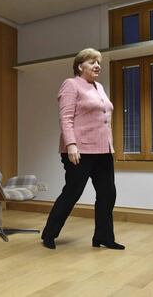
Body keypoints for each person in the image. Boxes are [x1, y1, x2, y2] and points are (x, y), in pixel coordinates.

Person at [41, 48, 125, 250]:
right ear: (80, 66)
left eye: (99, 63)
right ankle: (49, 234)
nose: (97, 66)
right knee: (72, 193)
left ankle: (103, 237)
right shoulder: (71, 84)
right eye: (92, 62)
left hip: (103, 150)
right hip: (79, 150)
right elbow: (66, 117)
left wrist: (110, 146)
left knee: (107, 194)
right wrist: (71, 145)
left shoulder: (99, 87)